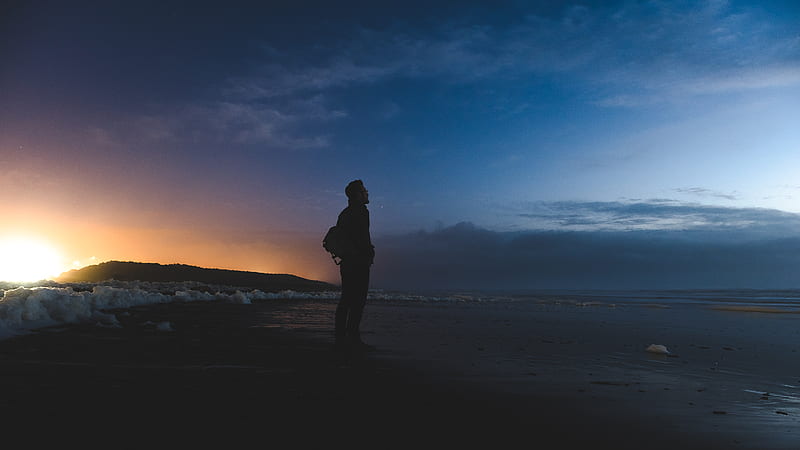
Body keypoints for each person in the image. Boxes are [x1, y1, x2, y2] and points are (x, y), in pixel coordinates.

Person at [334, 179, 375, 349]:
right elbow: (362, 239)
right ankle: (352, 337)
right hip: (358, 262)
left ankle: (341, 337)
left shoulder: (344, 213)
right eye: (364, 190)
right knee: (357, 301)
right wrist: (368, 254)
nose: (367, 193)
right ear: (357, 195)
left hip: (347, 262)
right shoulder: (361, 212)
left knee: (346, 299)